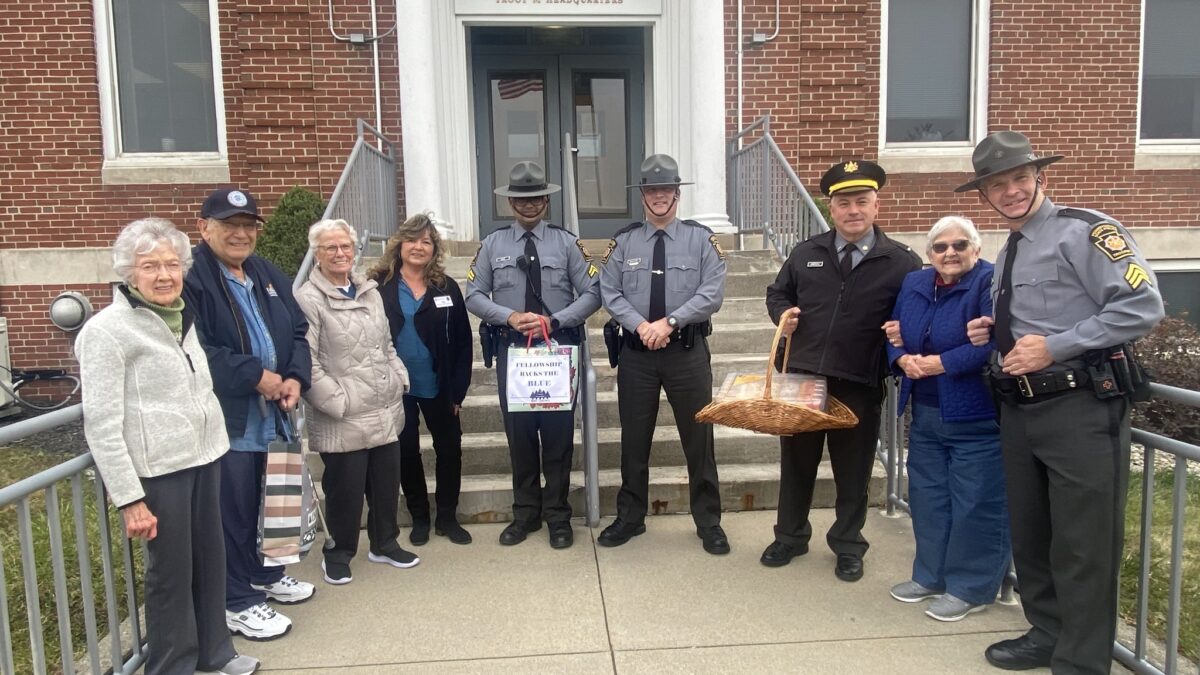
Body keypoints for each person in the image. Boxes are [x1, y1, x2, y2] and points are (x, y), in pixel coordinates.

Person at [959, 131, 1164, 673]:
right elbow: (1038, 316)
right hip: (1022, 410)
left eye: (1019, 179)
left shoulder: (1086, 231)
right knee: (1034, 535)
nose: (1010, 192)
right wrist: (995, 328)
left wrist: (1055, 345)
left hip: (1079, 407)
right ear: (984, 194)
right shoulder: (1009, 250)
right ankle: (1047, 632)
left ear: (1039, 177)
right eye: (996, 185)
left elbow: (1141, 306)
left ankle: (1081, 660)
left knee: (1083, 543)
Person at [76, 219, 259, 675]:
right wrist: (129, 496)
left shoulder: (182, 314)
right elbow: (100, 421)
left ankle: (215, 654)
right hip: (158, 469)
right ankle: (172, 666)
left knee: (209, 563)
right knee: (172, 574)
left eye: (172, 265)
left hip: (205, 456)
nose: (163, 275)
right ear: (128, 273)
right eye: (149, 266)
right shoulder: (107, 331)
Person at [763, 160, 921, 580]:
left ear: (876, 206)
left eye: (862, 202)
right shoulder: (806, 252)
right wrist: (784, 313)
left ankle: (849, 545)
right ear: (831, 208)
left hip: (858, 381)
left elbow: (916, 315)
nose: (853, 210)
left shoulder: (901, 261)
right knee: (796, 464)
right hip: (803, 378)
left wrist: (904, 333)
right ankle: (790, 537)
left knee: (854, 471)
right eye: (844, 203)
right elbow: (777, 293)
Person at [183, 187, 315, 641]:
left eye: (248, 225)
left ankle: (267, 575)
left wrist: (296, 377)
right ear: (204, 228)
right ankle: (236, 600)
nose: (241, 234)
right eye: (229, 225)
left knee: (273, 502)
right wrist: (255, 375)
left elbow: (298, 330)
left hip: (275, 412)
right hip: (231, 420)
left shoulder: (263, 271)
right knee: (233, 512)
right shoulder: (192, 278)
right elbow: (196, 349)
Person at [597, 153, 729, 555]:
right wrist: (641, 326)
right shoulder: (622, 242)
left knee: (699, 439)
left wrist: (669, 322)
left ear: (677, 193)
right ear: (642, 195)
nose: (659, 196)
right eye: (651, 190)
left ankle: (708, 521)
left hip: (686, 353)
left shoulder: (702, 240)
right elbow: (609, 290)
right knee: (634, 440)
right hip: (637, 355)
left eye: (666, 189)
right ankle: (630, 516)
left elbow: (712, 293)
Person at [465, 161, 600, 549]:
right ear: (511, 202)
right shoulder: (492, 245)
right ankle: (525, 513)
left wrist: (555, 321)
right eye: (521, 199)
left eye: (536, 197)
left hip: (556, 351)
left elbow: (594, 292)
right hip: (513, 351)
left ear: (546, 199)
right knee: (520, 438)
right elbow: (473, 294)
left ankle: (558, 516)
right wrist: (509, 316)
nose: (529, 205)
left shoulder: (567, 243)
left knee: (557, 439)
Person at [881, 216, 1009, 622]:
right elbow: (892, 332)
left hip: (977, 414)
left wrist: (940, 363)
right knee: (929, 498)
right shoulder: (915, 284)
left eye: (959, 245)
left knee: (977, 503)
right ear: (929, 253)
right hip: (926, 412)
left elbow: (994, 344)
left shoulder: (990, 283)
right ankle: (930, 576)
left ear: (976, 248)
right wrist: (900, 357)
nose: (949, 253)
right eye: (940, 247)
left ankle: (971, 588)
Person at [294, 219, 417, 585]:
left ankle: (385, 543)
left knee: (385, 483)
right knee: (344, 490)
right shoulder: (308, 299)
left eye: (345, 246)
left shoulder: (369, 291)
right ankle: (339, 552)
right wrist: (337, 401)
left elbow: (386, 344)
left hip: (382, 405)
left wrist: (399, 377)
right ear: (317, 253)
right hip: (343, 413)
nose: (340, 253)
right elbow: (306, 360)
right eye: (330, 247)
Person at [372, 213, 474, 546]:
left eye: (426, 241)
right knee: (406, 452)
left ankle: (447, 516)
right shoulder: (379, 286)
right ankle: (419, 517)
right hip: (396, 388)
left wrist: (458, 390)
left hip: (439, 385)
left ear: (434, 250)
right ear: (399, 244)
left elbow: (462, 341)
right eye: (412, 239)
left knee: (449, 449)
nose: (419, 247)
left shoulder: (446, 287)